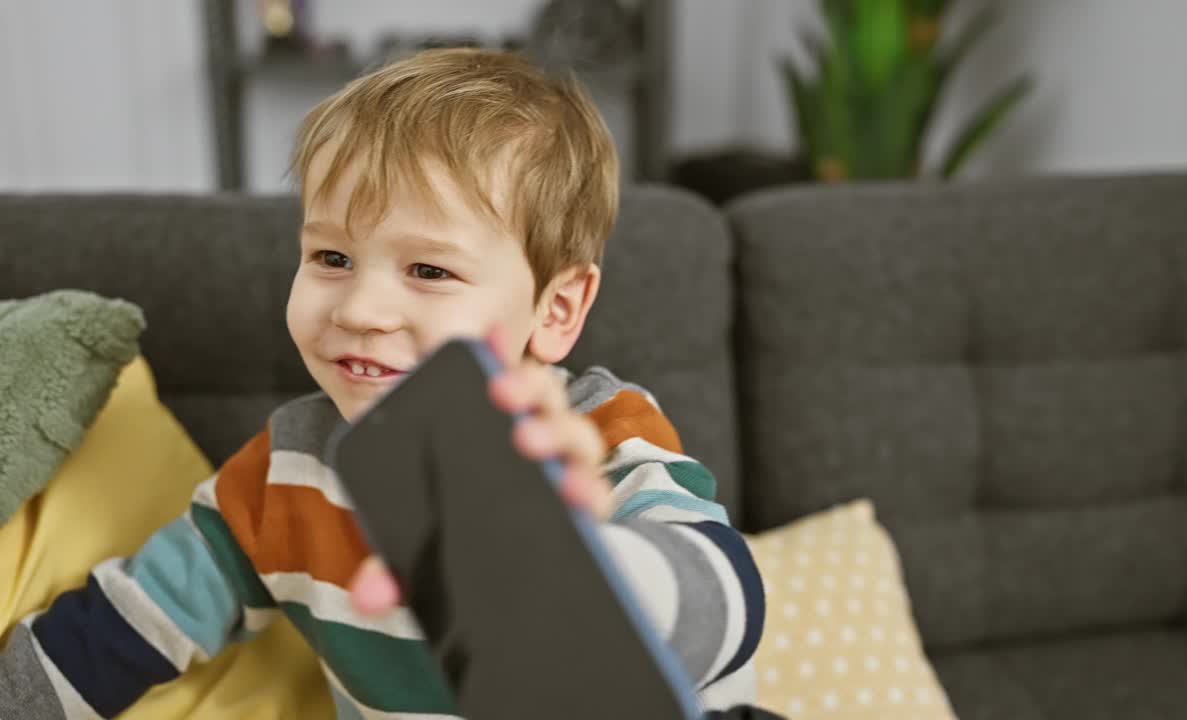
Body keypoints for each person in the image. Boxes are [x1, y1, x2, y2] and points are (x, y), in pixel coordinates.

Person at [0, 48, 764, 718]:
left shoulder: (596, 436)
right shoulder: (283, 474)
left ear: (555, 310)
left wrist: (592, 567)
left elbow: (728, 597)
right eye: (331, 258)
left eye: (429, 271)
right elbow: (125, 627)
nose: (360, 309)